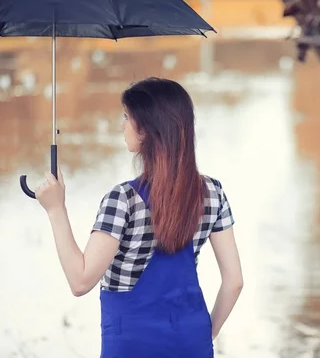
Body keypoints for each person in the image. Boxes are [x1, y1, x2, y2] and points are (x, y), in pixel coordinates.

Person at [34, 77, 243, 358]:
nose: (122, 125)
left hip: (131, 345)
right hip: (191, 341)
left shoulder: (124, 200)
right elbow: (234, 281)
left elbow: (80, 281)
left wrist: (56, 209)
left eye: (126, 117)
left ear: (145, 129)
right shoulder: (212, 193)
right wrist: (206, 333)